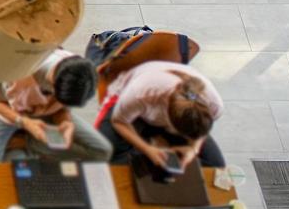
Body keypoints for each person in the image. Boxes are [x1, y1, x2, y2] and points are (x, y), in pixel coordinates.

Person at [0, 49, 111, 190]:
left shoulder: (73, 72)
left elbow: (62, 107)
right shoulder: (19, 71)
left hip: (40, 109)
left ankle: (25, 144)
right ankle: (20, 149)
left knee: (102, 151)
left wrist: (65, 122)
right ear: (54, 85)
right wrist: (26, 123)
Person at [97, 59, 226, 169]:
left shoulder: (215, 105)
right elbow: (119, 121)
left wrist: (194, 148)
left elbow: (201, 134)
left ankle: (152, 144)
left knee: (216, 166)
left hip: (176, 120)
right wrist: (147, 149)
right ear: (169, 118)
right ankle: (148, 144)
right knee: (104, 154)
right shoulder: (141, 92)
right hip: (135, 114)